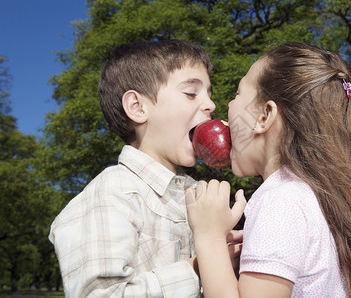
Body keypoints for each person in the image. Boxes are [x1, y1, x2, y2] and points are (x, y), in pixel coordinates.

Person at [186, 42, 351, 297]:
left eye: (237, 94)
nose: (225, 105)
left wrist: (209, 237)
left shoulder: (280, 200)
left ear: (264, 116)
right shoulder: (320, 198)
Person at [49, 39, 242, 297]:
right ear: (138, 107)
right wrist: (202, 264)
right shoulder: (111, 194)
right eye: (191, 93)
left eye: (209, 93)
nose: (211, 105)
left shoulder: (199, 193)